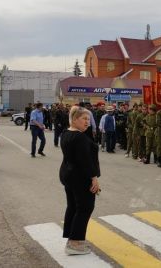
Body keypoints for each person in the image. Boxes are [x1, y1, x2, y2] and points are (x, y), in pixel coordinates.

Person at [60, 106, 100, 255]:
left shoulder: (66, 133)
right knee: (85, 208)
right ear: (75, 119)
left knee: (73, 207)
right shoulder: (80, 138)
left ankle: (72, 239)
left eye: (89, 119)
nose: (87, 122)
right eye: (84, 119)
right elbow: (86, 162)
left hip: (68, 175)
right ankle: (75, 243)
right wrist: (94, 179)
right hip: (80, 177)